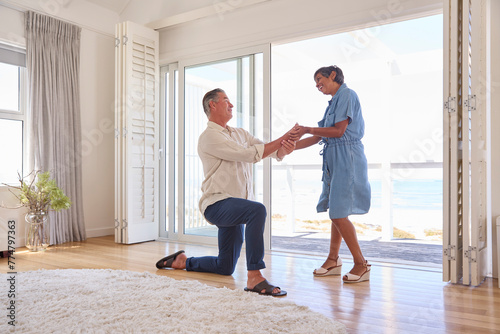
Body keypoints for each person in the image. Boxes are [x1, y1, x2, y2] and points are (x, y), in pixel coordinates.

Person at [156, 88, 296, 296]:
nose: (231, 105)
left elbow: (269, 149)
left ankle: (182, 262)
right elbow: (248, 154)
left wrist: (287, 146)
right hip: (217, 204)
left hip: (236, 207)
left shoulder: (240, 133)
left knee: (225, 266)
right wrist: (283, 138)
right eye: (226, 101)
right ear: (212, 105)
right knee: (257, 211)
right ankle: (255, 277)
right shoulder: (209, 137)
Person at [290, 65, 371, 283]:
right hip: (334, 158)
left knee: (337, 213)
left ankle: (361, 264)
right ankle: (333, 259)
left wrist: (307, 129)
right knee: (337, 210)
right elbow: (319, 137)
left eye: (319, 79)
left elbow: (338, 131)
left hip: (348, 158)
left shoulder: (347, 95)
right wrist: (288, 146)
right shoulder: (332, 103)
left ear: (333, 75)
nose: (317, 85)